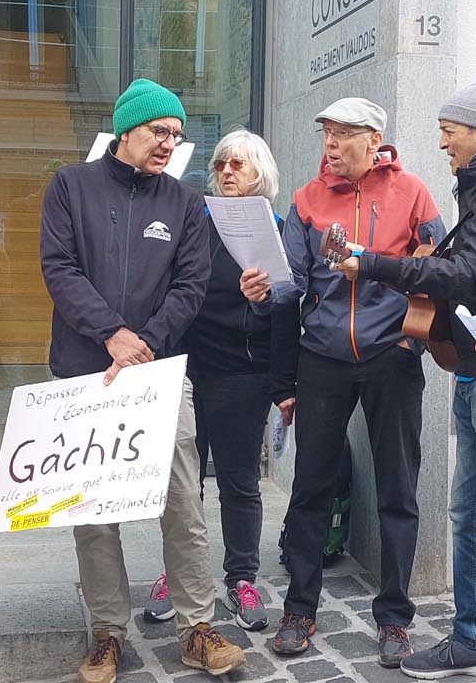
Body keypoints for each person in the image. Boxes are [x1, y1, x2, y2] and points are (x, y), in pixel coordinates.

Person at [332, 81, 476, 682]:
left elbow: (468, 273)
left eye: (449, 131)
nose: (441, 143)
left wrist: (372, 264)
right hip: (475, 367)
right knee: (469, 514)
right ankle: (472, 640)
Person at [39, 78, 246, 683]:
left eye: (176, 135)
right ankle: (107, 631)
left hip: (160, 373)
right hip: (84, 374)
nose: (169, 144)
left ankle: (196, 627)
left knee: (182, 500)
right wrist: (111, 334)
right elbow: (59, 268)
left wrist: (144, 344)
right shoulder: (69, 186)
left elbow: (191, 284)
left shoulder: (184, 203)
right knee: (92, 511)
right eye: (160, 131)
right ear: (127, 128)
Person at [240, 97, 445, 668]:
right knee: (311, 487)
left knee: (398, 489)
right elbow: (290, 286)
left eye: (343, 134)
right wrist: (262, 294)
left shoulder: (413, 194)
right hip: (323, 358)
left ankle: (395, 618)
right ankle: (299, 610)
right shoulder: (306, 199)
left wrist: (412, 341)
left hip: (391, 357)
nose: (330, 145)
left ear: (374, 140)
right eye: (326, 134)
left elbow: (438, 271)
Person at [146, 129, 301, 632]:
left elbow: (288, 315)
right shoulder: (195, 222)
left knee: (238, 482)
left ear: (261, 173)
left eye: (238, 164)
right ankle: (179, 573)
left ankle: (241, 578)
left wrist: (282, 381)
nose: (227, 171)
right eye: (221, 164)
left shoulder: (277, 231)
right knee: (181, 483)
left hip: (242, 372)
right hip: (185, 368)